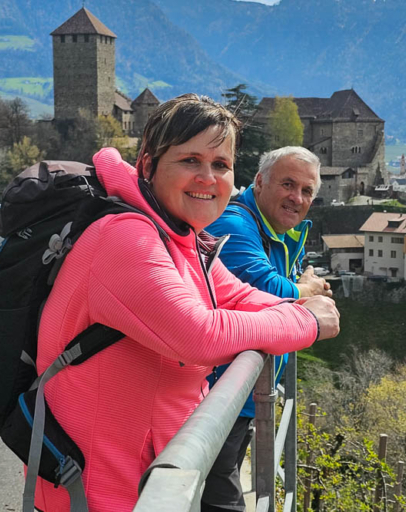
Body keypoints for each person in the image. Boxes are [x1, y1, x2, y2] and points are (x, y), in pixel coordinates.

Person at [32, 94, 341, 512]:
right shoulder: (126, 238)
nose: (207, 178)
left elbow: (238, 296)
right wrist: (307, 322)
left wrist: (294, 308)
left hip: (151, 482)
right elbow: (198, 334)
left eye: (220, 165)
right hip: (96, 493)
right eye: (190, 160)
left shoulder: (181, 238)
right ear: (147, 165)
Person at [202, 146, 330, 512]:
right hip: (213, 395)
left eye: (307, 191)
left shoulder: (268, 227)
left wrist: (301, 283)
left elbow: (281, 281)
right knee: (220, 497)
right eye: (287, 184)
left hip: (239, 396)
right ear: (259, 181)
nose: (297, 197)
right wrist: (310, 291)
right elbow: (269, 290)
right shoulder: (234, 224)